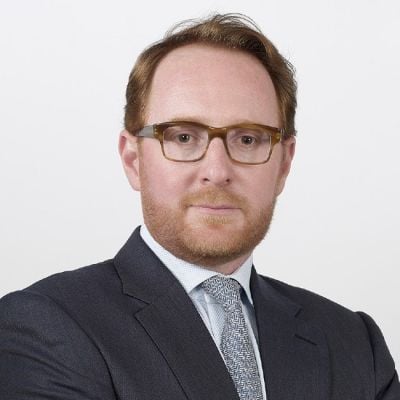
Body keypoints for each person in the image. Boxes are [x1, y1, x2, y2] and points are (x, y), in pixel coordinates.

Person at [0, 13, 398, 400]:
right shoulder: (45, 325)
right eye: (184, 137)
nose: (217, 170)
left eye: (247, 139)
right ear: (133, 160)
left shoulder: (353, 342)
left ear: (284, 163)